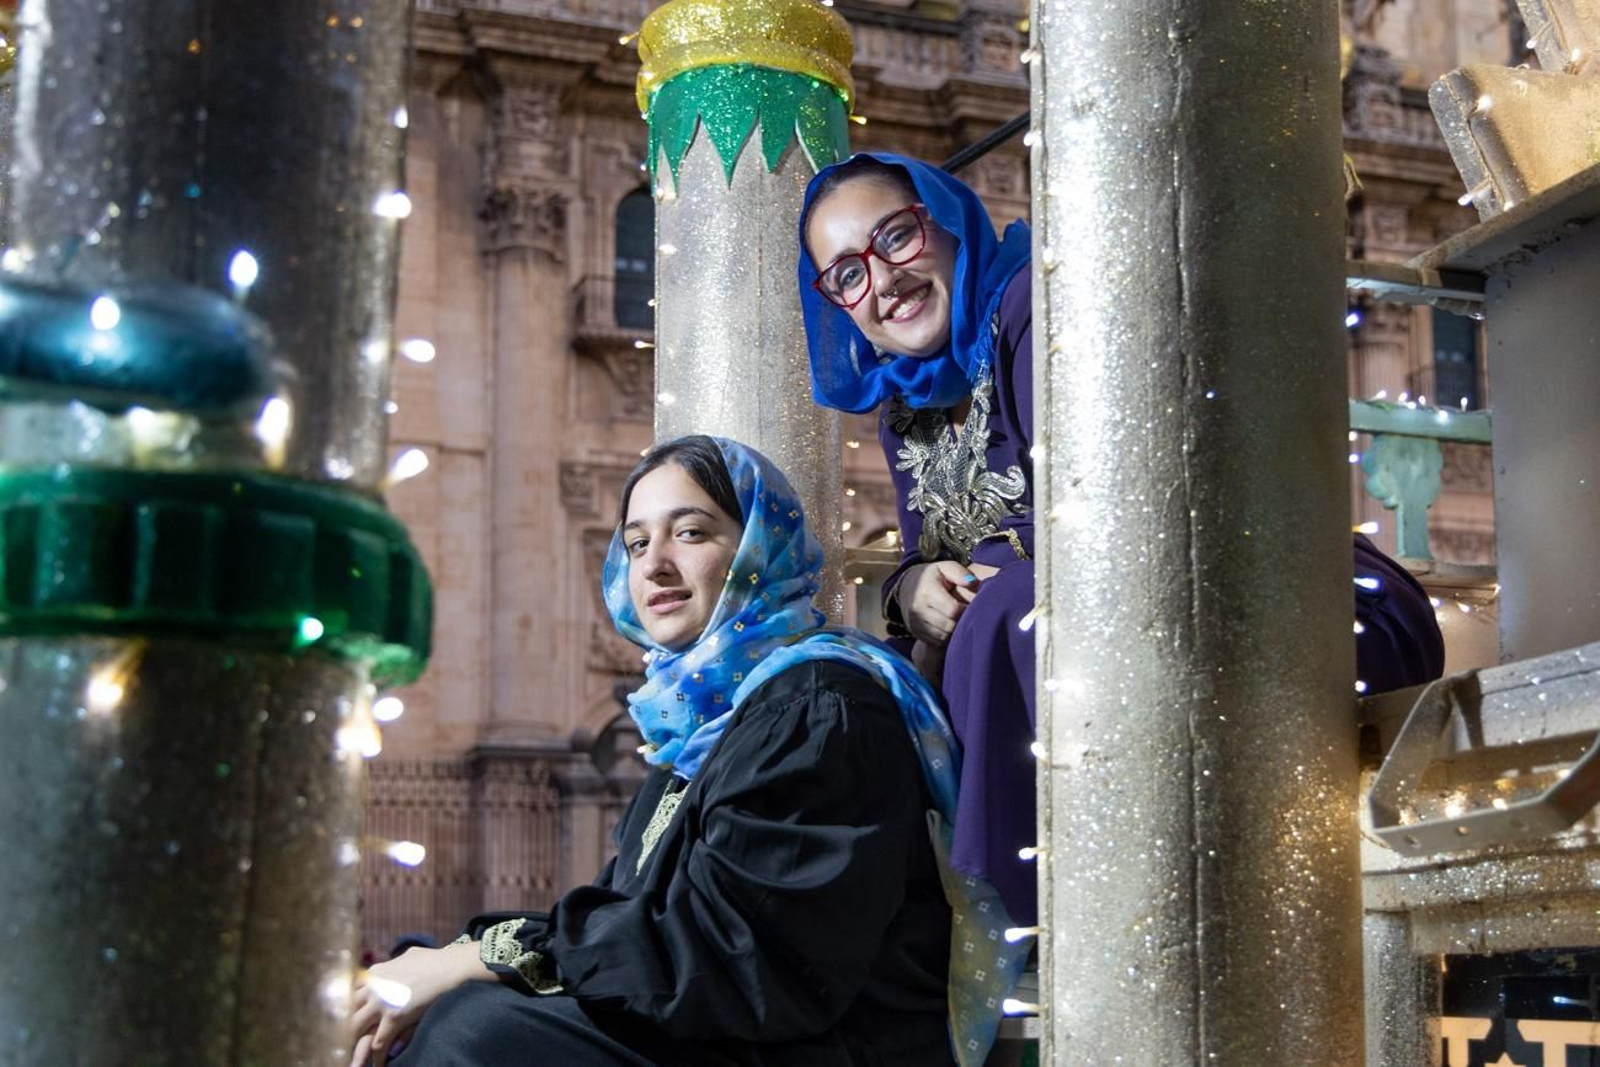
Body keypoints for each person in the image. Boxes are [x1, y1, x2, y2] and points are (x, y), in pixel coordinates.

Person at [798, 151, 1446, 930]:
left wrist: (970, 593)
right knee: (842, 684)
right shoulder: (904, 400)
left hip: (1266, 585)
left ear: (946, 220)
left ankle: (1034, 940)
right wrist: (913, 590)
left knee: (1007, 615)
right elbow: (920, 553)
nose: (882, 280)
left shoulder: (1038, 308)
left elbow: (1111, 511)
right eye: (846, 275)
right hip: (1075, 615)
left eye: (896, 238)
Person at [348, 436, 1019, 1067]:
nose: (655, 564)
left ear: (761, 546)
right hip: (735, 1028)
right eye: (636, 543)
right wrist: (462, 953)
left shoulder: (818, 702)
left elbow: (738, 959)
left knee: (477, 1033)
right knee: (418, 1001)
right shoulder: (710, 714)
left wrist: (482, 961)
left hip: (825, 1045)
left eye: (691, 531)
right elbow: (630, 912)